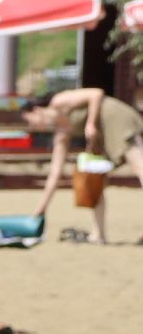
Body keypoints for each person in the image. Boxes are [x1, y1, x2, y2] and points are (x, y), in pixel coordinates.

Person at [24, 87, 143, 244]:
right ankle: (99, 234)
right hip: (100, 134)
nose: (31, 127)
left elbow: (96, 93)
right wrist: (41, 209)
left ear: (37, 110)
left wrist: (90, 123)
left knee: (140, 168)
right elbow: (55, 173)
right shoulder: (61, 134)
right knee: (96, 181)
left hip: (115, 117)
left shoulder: (58, 101)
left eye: (29, 121)